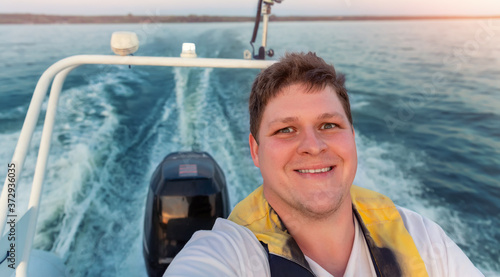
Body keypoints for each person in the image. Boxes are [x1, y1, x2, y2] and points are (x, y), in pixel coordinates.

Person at [164, 52, 483, 277]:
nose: (313, 146)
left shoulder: (423, 238)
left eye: (329, 125)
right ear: (255, 151)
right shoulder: (229, 256)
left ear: (353, 137)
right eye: (285, 130)